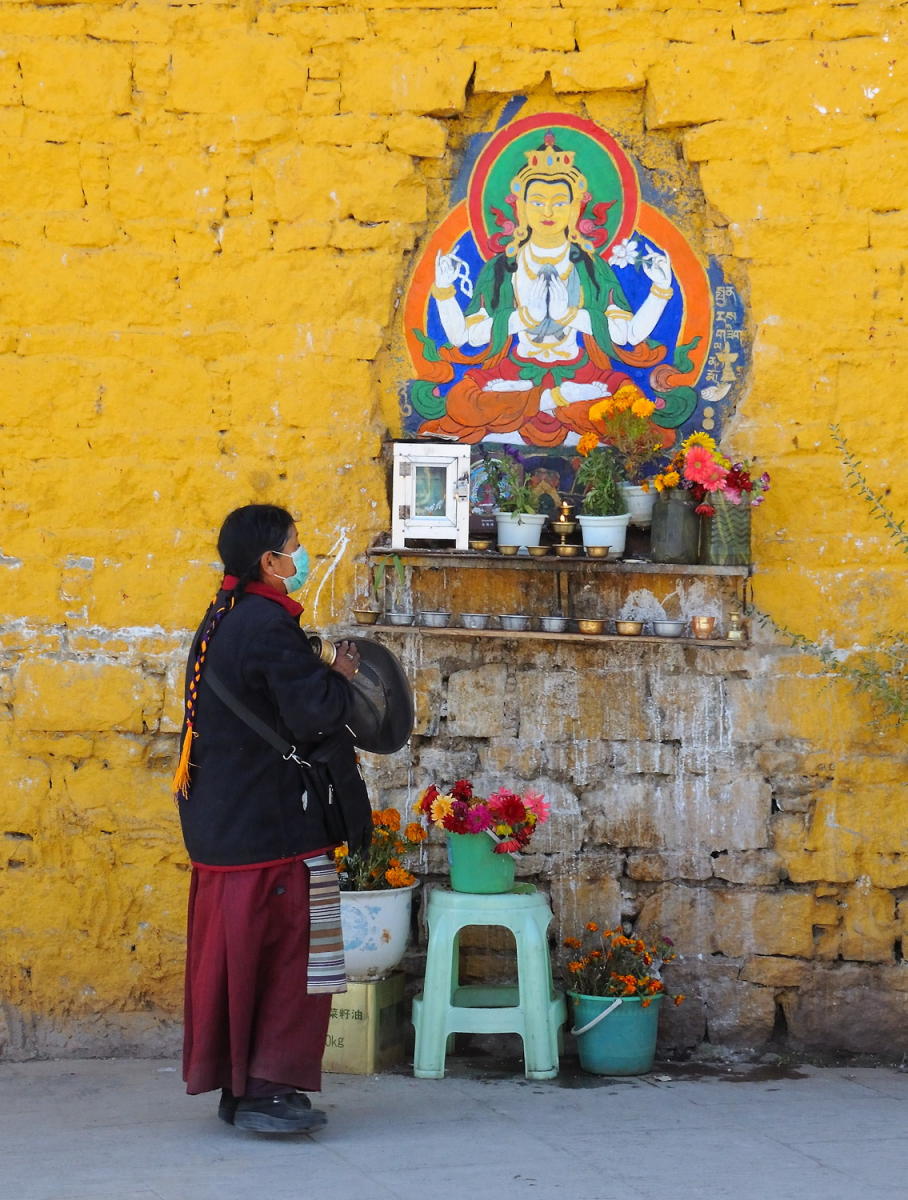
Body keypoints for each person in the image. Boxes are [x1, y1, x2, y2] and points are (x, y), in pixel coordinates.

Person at [173, 504, 370, 1134]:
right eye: (294, 546)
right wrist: (338, 675)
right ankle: (267, 1090)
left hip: (225, 825)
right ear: (269, 562)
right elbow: (314, 715)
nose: (300, 554)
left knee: (238, 962)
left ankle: (241, 1087)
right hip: (274, 828)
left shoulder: (223, 616)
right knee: (291, 960)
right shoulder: (266, 625)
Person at [418, 133, 676, 449]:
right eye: (538, 202)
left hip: (580, 373)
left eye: (560, 202)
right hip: (516, 372)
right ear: (521, 208)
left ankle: (541, 402)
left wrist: (660, 289)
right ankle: (548, 401)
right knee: (461, 400)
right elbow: (463, 339)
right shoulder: (502, 268)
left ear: (575, 209)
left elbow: (629, 336)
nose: (548, 211)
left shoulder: (591, 268)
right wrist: (449, 292)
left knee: (627, 407)